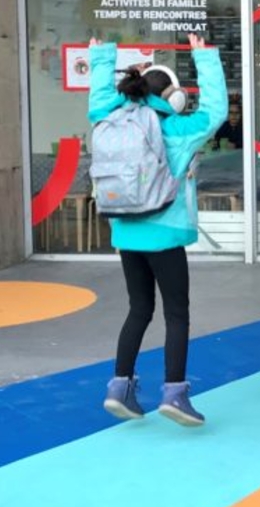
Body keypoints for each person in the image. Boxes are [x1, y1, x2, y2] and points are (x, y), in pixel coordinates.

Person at [93, 33, 228, 427]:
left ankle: (119, 386)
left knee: (139, 308)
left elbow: (98, 99)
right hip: (165, 234)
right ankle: (174, 393)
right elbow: (217, 110)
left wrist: (101, 56)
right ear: (174, 97)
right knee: (176, 313)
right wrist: (204, 56)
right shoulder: (178, 129)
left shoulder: (109, 118)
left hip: (125, 232)